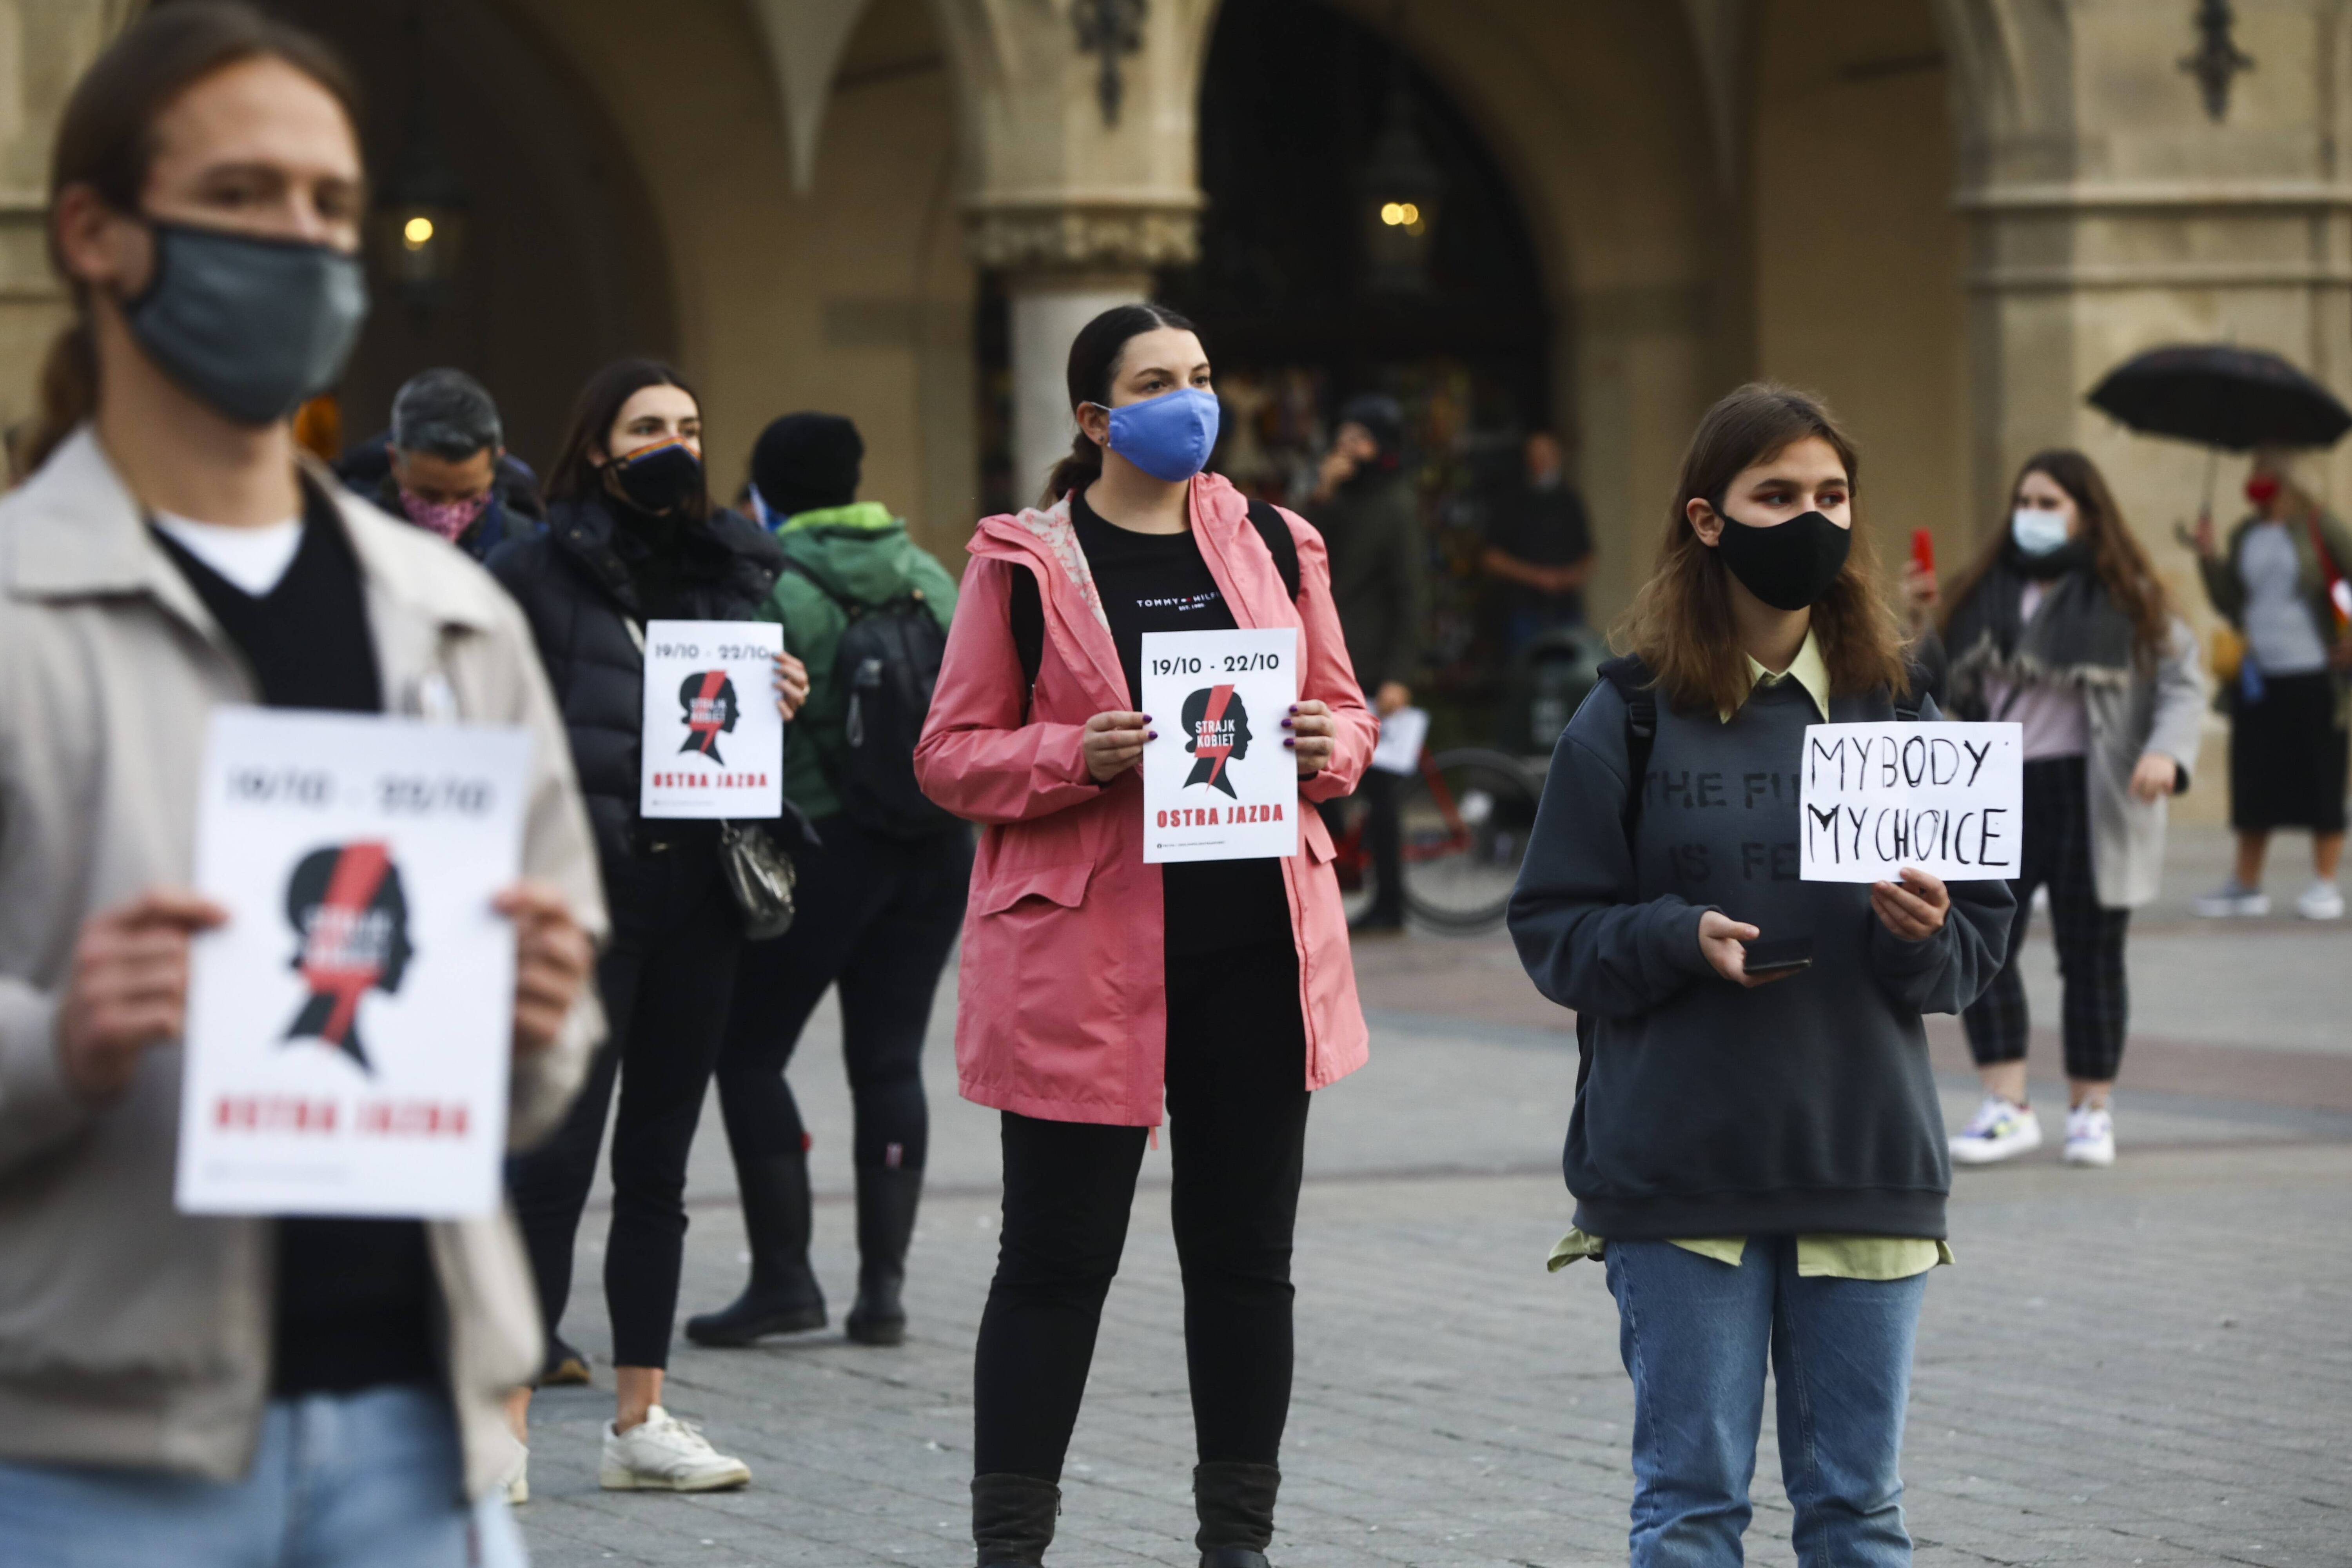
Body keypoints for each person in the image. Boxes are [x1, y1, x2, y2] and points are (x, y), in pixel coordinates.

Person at [0, 8, 605, 1564]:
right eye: (242, 195)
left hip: (416, 1447)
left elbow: (542, 1058)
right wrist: (57, 1042)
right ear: (97, 233)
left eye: (331, 204)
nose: (301, 240)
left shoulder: (453, 618)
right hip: (82, 1458)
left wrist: (535, 1016)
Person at [1508, 383, 2013, 1567]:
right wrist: (1675, 936)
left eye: (1831, 495)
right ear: (1706, 518)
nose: (1810, 518)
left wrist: (1920, 932)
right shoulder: (1628, 713)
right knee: (1689, 1509)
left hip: (1863, 1162)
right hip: (1679, 1173)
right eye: (1776, 495)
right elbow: (1551, 930)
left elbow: (1969, 955)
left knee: (1857, 1513)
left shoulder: (1903, 710)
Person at [912, 302, 1377, 1568]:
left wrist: (1331, 744)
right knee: (1053, 1264)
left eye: (1203, 376)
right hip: (1086, 961)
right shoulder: (1024, 563)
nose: (1192, 401)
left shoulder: (1277, 541)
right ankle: (1012, 1549)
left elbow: (1345, 716)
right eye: (1158, 382)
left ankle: (1238, 1545)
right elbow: (949, 756)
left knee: (1244, 1263)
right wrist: (1077, 752)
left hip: (1255, 953)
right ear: (1095, 417)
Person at [490, 360, 809, 1495]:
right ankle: (504, 1424)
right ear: (597, 447)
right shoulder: (530, 573)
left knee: (659, 1166)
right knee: (551, 1163)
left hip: (698, 895)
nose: (673, 444)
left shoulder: (729, 570)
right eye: (646, 428)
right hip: (582, 900)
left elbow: (729, 733)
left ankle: (641, 1417)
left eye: (688, 425)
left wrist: (778, 698)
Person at [686, 412, 968, 1350]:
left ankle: (785, 1278)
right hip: (935, 843)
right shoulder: (928, 572)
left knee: (749, 1051)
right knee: (889, 1060)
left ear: (765, 490)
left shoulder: (767, 581)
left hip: (825, 845)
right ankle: (882, 1293)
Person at [1936, 452, 2206, 1167]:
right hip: (1994, 788)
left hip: (2093, 791)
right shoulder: (1981, 590)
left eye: (2049, 502)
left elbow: (2184, 681)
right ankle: (2007, 1104)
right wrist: (1921, 612)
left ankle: (2091, 1110)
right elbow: (1931, 674)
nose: (2032, 515)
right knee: (1983, 944)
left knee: (2091, 956)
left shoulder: (2131, 597)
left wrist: (2166, 752)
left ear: (2087, 513)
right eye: (2024, 501)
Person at [2191, 447, 2352, 921]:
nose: (2256, 482)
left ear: (2288, 481)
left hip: (2315, 675)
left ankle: (2324, 884)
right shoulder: (2246, 533)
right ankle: (2246, 884)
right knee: (2254, 779)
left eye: (2265, 474)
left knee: (2321, 778)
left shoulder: (2321, 526)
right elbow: (2229, 600)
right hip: (2259, 677)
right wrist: (2207, 555)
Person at [1304, 392, 1426, 933]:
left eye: (1359, 438)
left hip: (1374, 668)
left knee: (1381, 795)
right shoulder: (1338, 499)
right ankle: (1335, 888)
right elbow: (1297, 555)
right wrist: (1323, 492)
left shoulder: (1395, 504)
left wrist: (1401, 673)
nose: (1346, 447)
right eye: (1342, 437)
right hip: (1327, 662)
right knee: (1319, 782)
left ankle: (1390, 903)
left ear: (1381, 445)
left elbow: (1411, 595)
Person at [345, 368, 531, 560]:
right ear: (395, 461)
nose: (447, 514)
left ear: (495, 465)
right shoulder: (348, 540)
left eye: (467, 495)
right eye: (430, 495)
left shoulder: (528, 556)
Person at [1483, 429, 1595, 650]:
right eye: (1536, 456)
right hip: (1523, 610)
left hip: (1566, 608)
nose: (1542, 463)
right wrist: (1537, 577)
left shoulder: (1570, 501)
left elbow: (1588, 553)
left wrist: (1569, 577)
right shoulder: (1511, 502)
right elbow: (1491, 558)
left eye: (1547, 456)